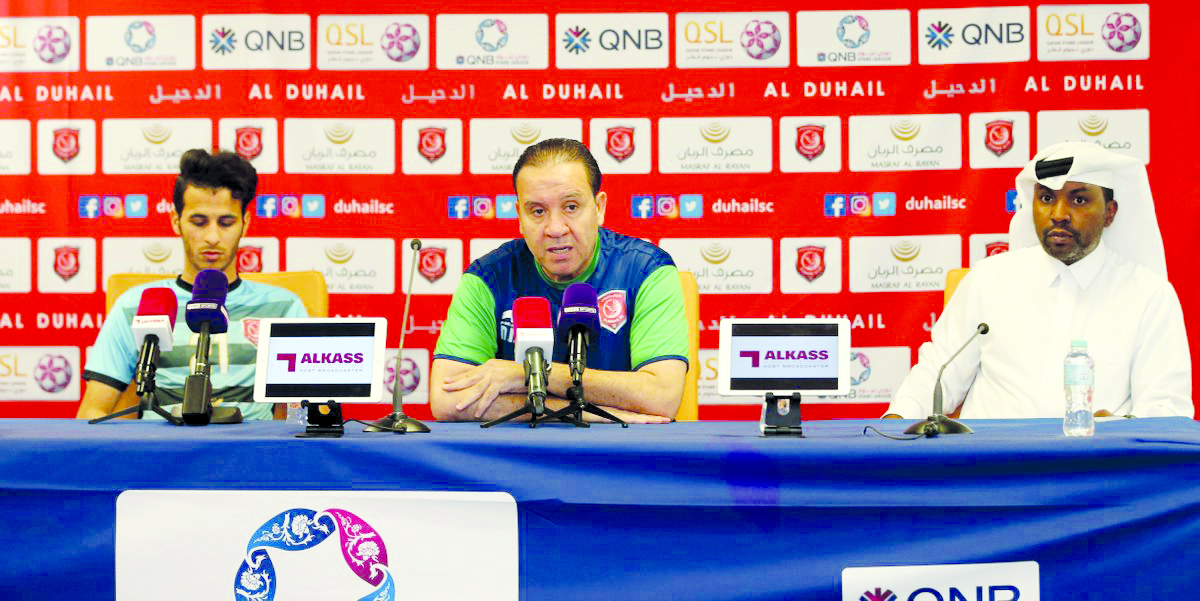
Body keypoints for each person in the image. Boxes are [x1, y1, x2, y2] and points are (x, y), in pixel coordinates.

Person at [886, 142, 1192, 419]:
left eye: (1079, 200)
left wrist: (1123, 431)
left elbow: (1166, 406)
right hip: (988, 469)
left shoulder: (1148, 295)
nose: (1058, 214)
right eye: (1046, 198)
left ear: (1109, 213)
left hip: (1094, 470)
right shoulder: (989, 280)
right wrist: (897, 419)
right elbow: (937, 374)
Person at [431, 138, 689, 423]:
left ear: (599, 208)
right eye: (538, 211)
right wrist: (585, 413)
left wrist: (526, 375)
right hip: (519, 457)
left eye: (571, 206)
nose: (555, 228)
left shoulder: (646, 270)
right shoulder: (488, 277)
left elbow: (662, 397)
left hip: (619, 457)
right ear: (519, 216)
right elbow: (447, 400)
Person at [76, 149, 308, 421]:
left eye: (226, 222)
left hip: (249, 454)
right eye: (199, 222)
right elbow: (93, 411)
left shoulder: (284, 307)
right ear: (176, 222)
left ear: (245, 224)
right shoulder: (137, 304)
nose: (212, 237)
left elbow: (300, 416)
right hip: (162, 454)